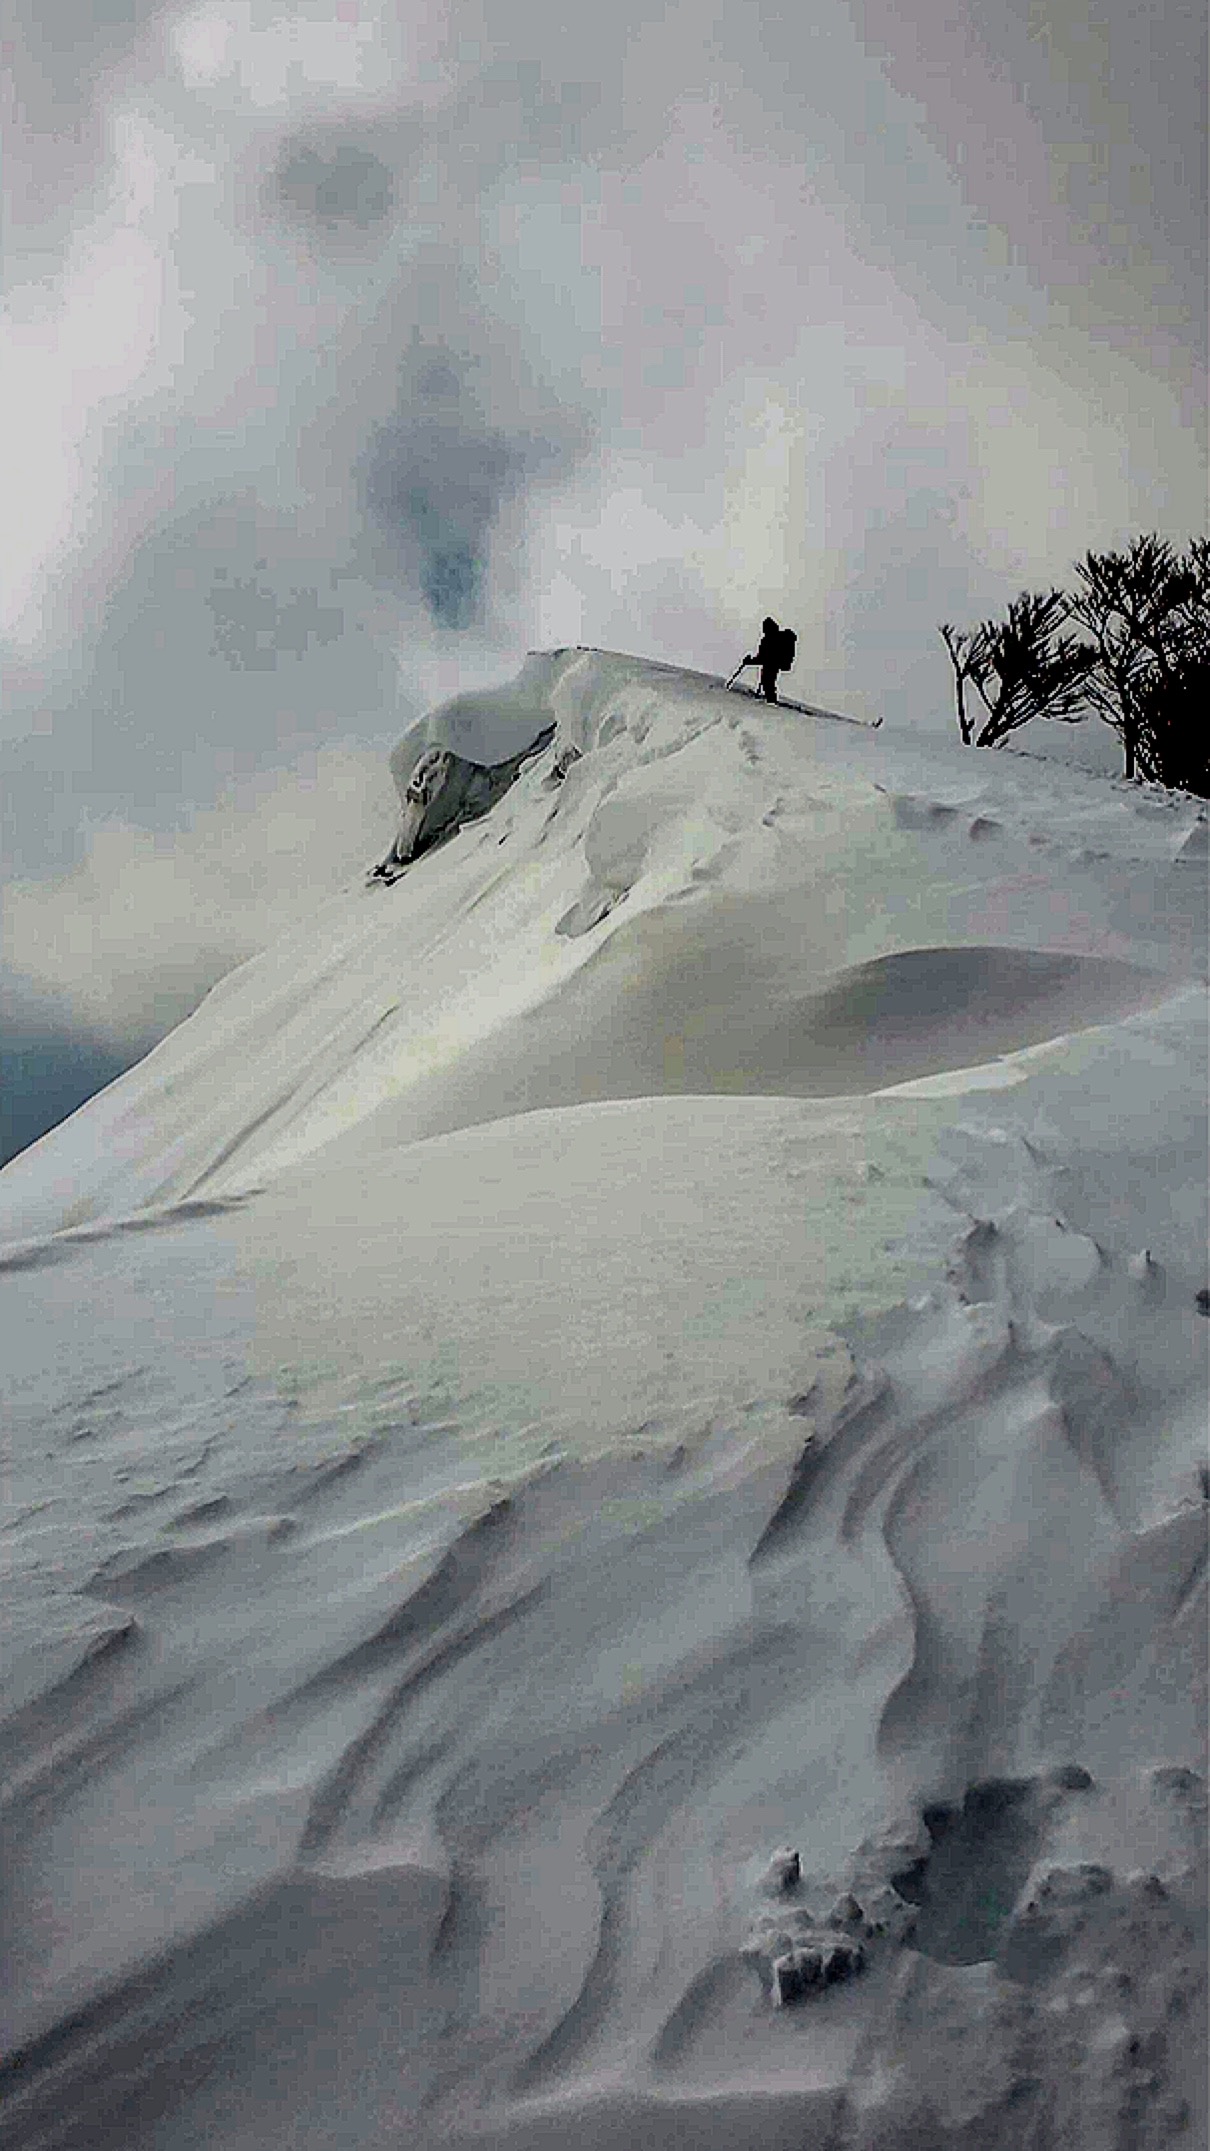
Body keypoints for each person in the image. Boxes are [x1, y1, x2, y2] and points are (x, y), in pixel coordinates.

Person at [740, 617, 785, 703]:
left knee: (767, 680)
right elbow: (761, 657)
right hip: (773, 664)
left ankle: (771, 699)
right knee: (767, 679)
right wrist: (752, 661)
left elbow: (762, 658)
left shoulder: (769, 640)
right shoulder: (770, 639)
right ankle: (770, 697)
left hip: (772, 664)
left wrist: (750, 661)